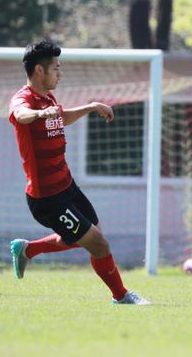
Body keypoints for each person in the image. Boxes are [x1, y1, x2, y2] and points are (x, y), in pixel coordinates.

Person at [8, 40, 149, 305]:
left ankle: (28, 249)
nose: (59, 74)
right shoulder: (24, 99)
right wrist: (39, 115)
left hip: (66, 186)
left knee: (91, 233)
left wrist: (91, 106)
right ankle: (121, 296)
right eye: (56, 69)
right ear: (39, 70)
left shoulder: (48, 98)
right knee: (99, 245)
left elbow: (61, 117)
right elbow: (20, 114)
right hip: (47, 197)